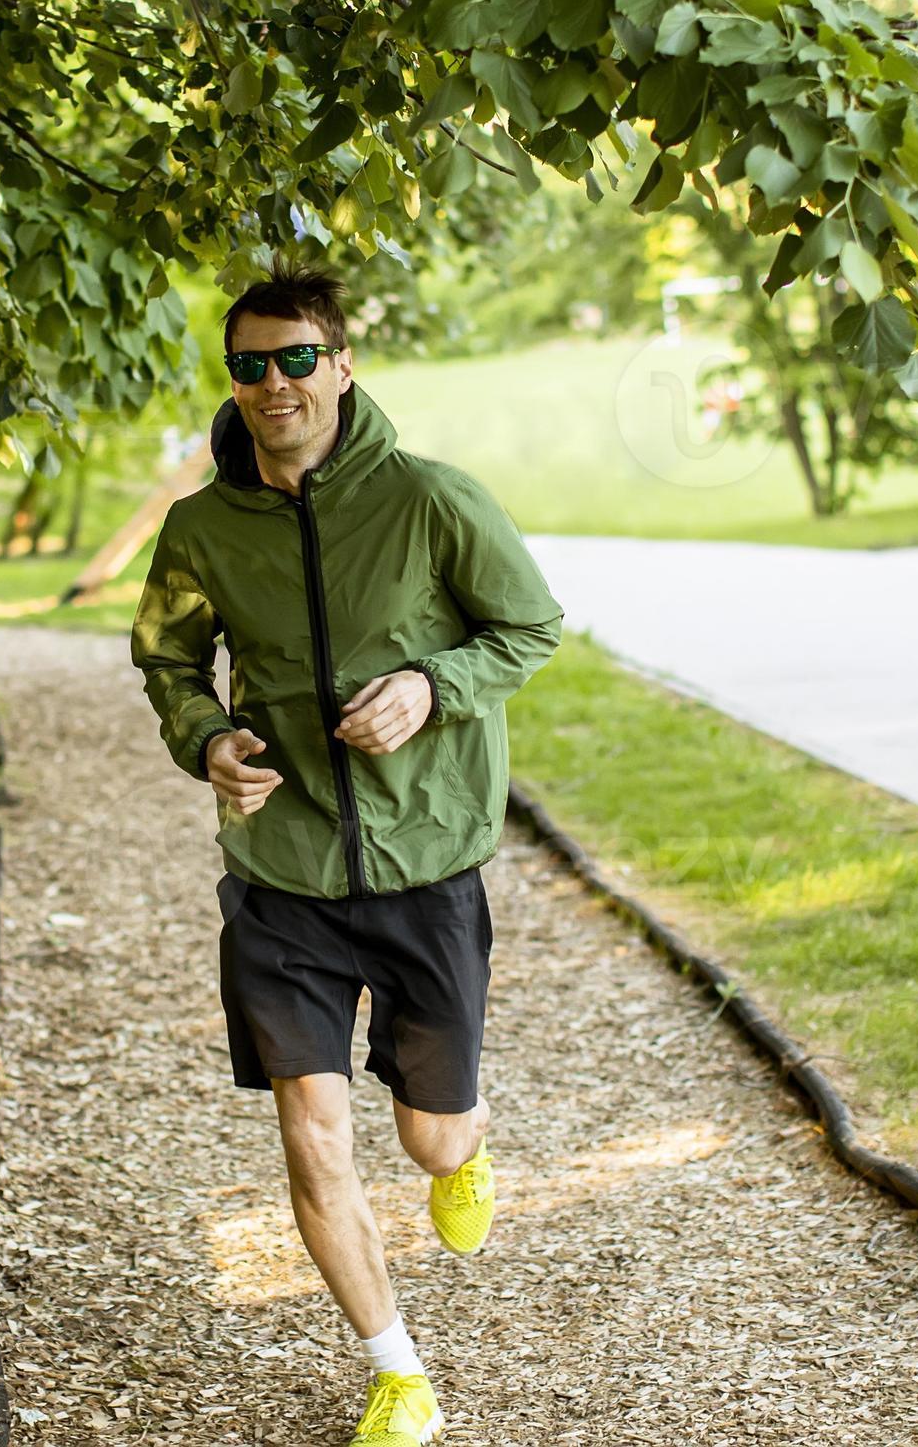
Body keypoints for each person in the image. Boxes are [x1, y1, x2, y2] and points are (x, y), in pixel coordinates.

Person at [131, 261, 566, 1445]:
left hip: (426, 864)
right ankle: (398, 1372)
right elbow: (169, 664)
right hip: (280, 879)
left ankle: (459, 1145)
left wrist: (434, 686)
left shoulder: (430, 500)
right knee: (310, 1129)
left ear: (342, 364)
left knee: (431, 1136)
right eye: (250, 365)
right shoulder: (201, 530)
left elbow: (531, 625)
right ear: (234, 378)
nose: (275, 384)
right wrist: (207, 738)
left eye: (297, 359)